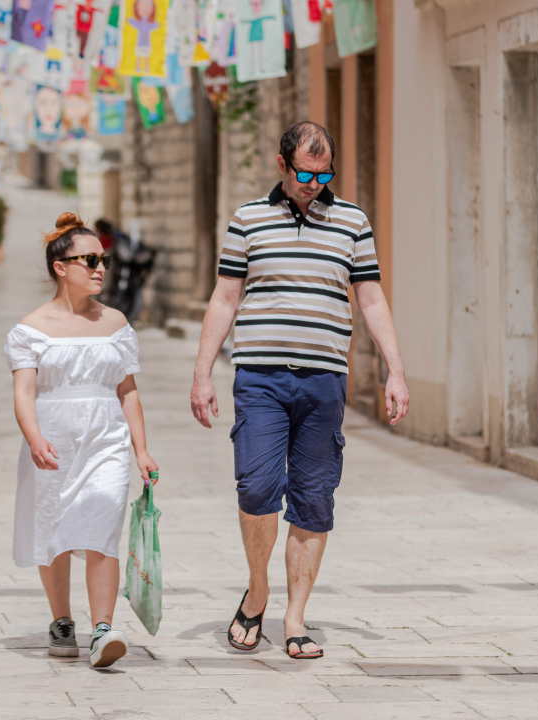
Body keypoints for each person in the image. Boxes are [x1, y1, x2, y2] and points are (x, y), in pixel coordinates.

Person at [189, 121, 410, 659]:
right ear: (282, 165)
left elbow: (371, 298)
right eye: (306, 174)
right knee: (256, 487)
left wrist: (396, 371)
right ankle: (257, 590)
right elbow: (225, 297)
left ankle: (295, 617)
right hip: (260, 378)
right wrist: (202, 374)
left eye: (324, 174)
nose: (315, 184)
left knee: (314, 497)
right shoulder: (248, 219)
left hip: (324, 381)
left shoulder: (352, 221)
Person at [5, 212, 159, 668]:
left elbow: (128, 391)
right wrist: (34, 438)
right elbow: (24, 392)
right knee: (52, 530)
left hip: (106, 439)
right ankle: (62, 622)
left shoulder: (116, 322)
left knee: (102, 526)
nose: (100, 268)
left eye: (103, 260)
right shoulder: (30, 328)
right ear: (60, 267)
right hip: (53, 443)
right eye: (89, 260)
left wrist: (141, 449)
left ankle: (103, 630)